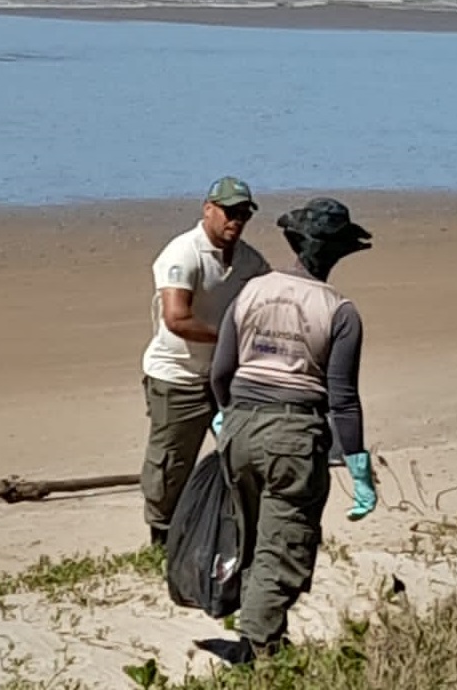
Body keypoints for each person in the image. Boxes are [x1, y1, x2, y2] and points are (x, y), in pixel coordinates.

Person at [209, 196, 378, 662]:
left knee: (252, 534)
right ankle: (259, 652)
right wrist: (358, 465)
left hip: (240, 427)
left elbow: (221, 371)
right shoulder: (340, 312)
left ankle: (264, 635)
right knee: (284, 545)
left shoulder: (252, 290)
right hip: (294, 436)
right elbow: (342, 399)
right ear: (339, 253)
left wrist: (227, 416)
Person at [140, 177, 271, 547]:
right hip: (177, 377)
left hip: (226, 377)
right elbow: (176, 319)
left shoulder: (250, 260)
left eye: (244, 213)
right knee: (170, 466)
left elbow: (269, 298)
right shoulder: (183, 254)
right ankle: (162, 541)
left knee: (244, 454)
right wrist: (231, 338)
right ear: (208, 209)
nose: (236, 220)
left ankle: (238, 532)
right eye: (230, 212)